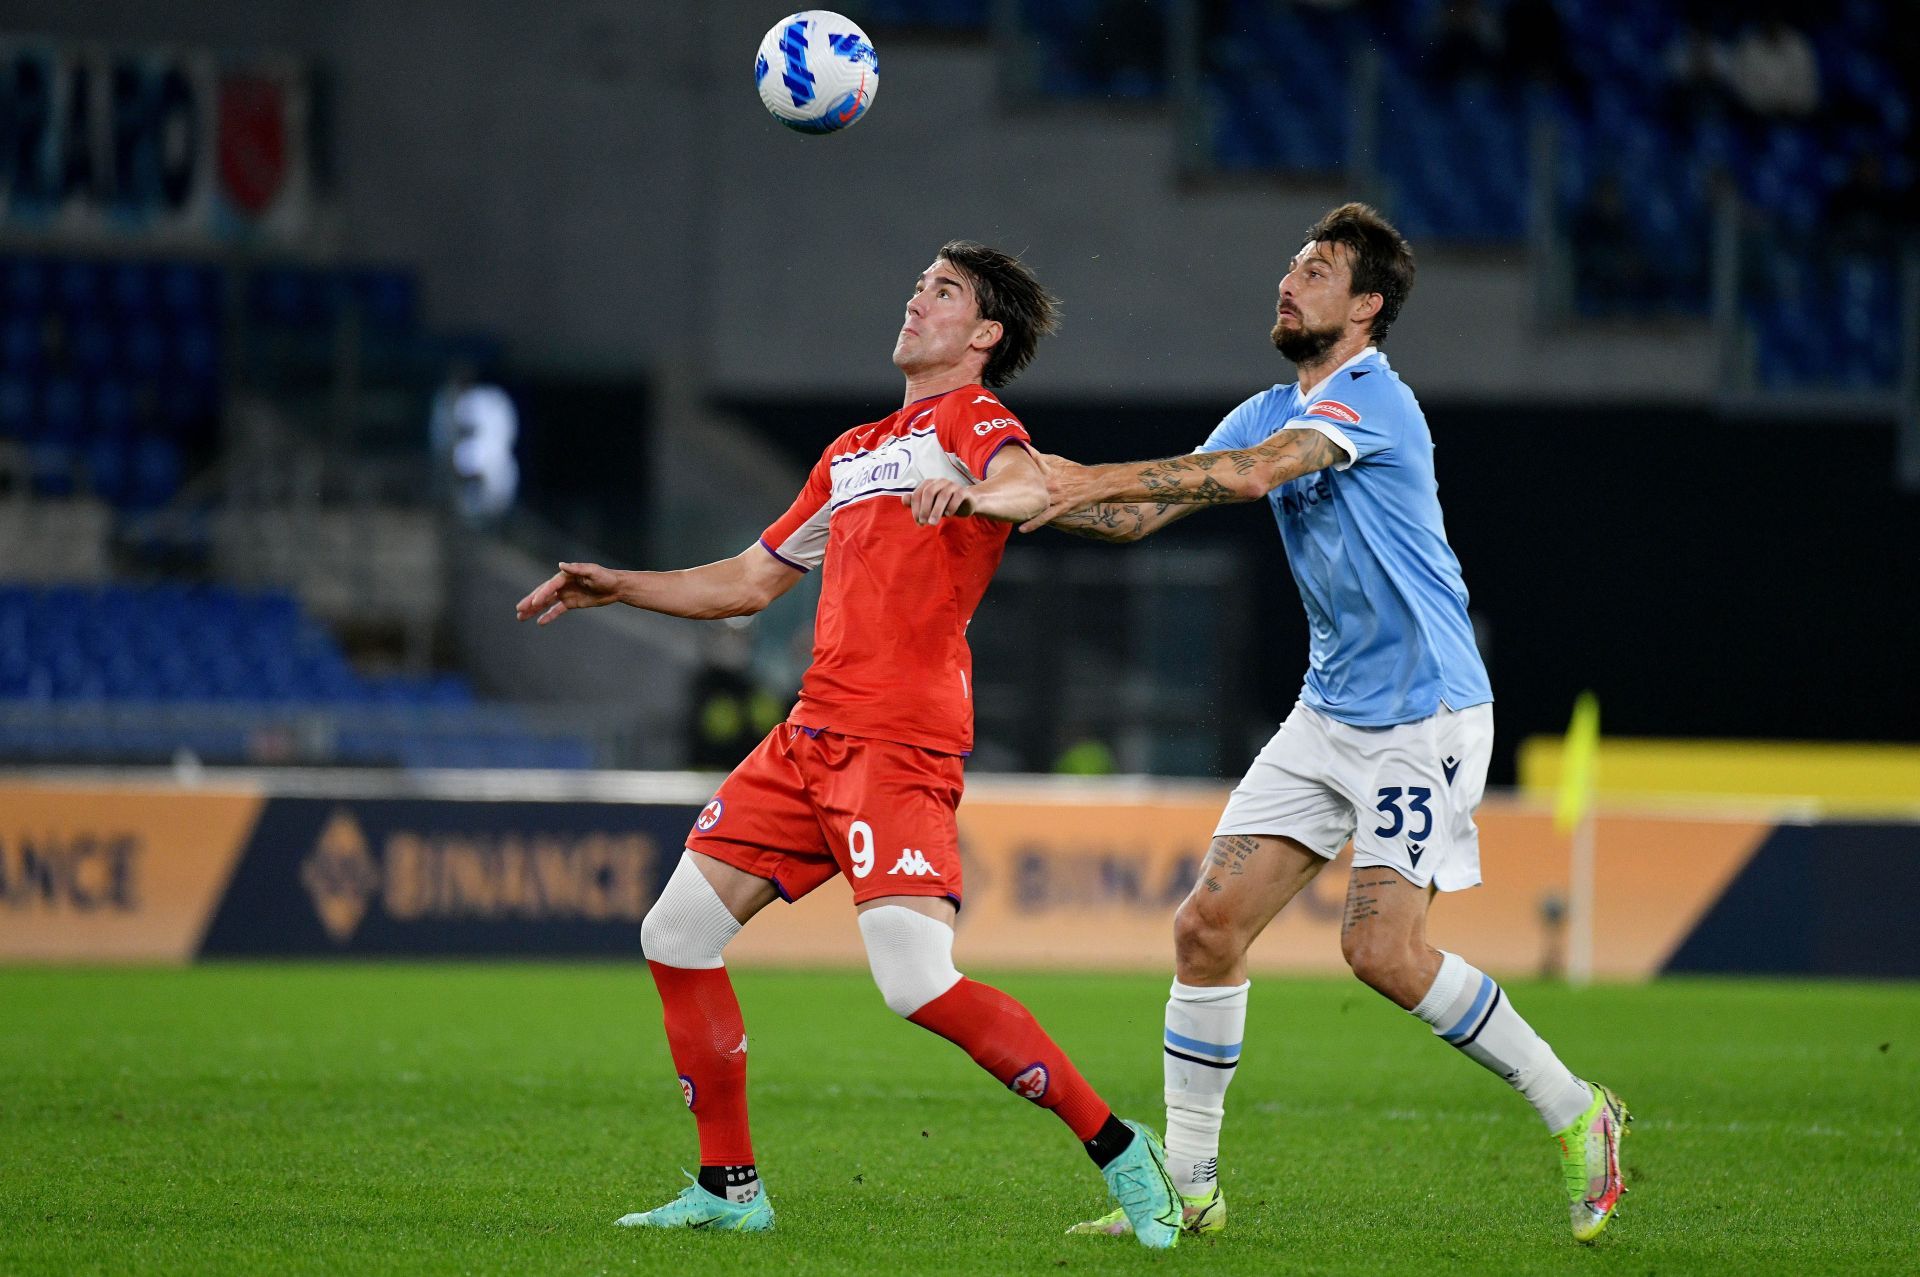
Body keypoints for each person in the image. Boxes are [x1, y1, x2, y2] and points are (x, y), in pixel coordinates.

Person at [514, 241, 1184, 1247]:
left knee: (915, 982)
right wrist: (626, 581)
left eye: (943, 291)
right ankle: (730, 1188)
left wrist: (976, 495)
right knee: (675, 933)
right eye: (918, 284)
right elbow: (746, 582)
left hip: (896, 742)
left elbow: (1025, 486)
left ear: (985, 333)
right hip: (807, 737)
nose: (917, 300)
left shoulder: (971, 417)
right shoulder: (854, 448)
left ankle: (1126, 1152)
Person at [1006, 203, 1628, 1244]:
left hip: (1422, 713)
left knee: (1382, 949)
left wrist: (1083, 476)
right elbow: (1144, 510)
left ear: (1367, 306)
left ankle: (1579, 1110)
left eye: (1317, 269)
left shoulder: (1373, 400)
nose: (1289, 281)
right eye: (1291, 264)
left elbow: (1246, 478)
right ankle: (1192, 1189)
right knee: (1205, 930)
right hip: (1329, 710)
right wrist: (1006, 488)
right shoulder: (1266, 405)